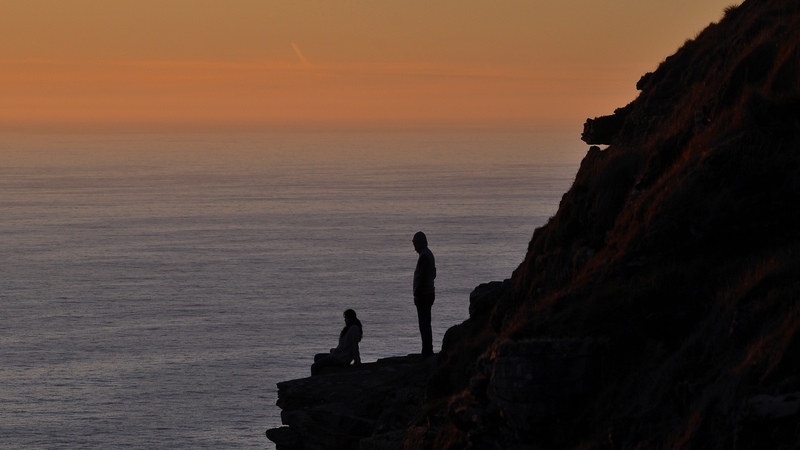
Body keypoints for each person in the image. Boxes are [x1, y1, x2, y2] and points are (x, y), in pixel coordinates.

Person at [310, 309, 362, 376]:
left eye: (346, 318)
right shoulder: (349, 328)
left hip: (341, 359)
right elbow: (343, 347)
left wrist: (357, 361)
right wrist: (335, 350)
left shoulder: (353, 329)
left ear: (350, 318)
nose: (345, 320)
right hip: (339, 356)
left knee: (314, 367)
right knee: (317, 357)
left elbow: (354, 346)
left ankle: (316, 380)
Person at [412, 231, 436, 356]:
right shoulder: (428, 254)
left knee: (424, 324)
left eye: (415, 243)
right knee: (426, 323)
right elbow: (434, 273)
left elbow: (422, 278)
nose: (414, 247)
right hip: (428, 293)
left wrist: (417, 294)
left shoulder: (424, 257)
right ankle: (427, 349)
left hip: (424, 295)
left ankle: (427, 350)